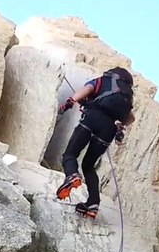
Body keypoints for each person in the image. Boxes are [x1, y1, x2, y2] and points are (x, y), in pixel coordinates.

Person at [56, 67, 135, 219]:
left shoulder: (103, 81)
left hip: (92, 119)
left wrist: (71, 101)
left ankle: (72, 175)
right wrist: (120, 127)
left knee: (70, 155)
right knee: (89, 166)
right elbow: (131, 117)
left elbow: (88, 89)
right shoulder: (127, 96)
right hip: (109, 130)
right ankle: (93, 203)